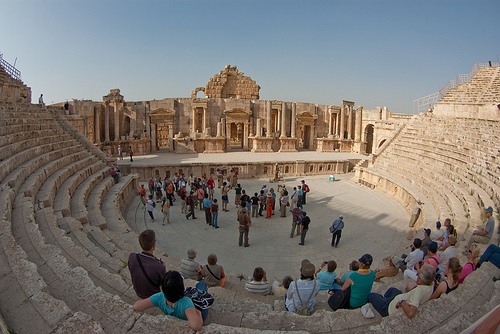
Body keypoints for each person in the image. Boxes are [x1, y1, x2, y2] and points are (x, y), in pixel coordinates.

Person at [133, 270, 205, 331]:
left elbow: (136, 306)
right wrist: (199, 313)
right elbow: (196, 326)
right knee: (202, 285)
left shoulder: (159, 297)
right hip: (192, 315)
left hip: (179, 314)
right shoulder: (186, 302)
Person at [363, 264, 435, 319]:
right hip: (397, 299)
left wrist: (402, 302)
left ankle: (381, 305)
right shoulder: (431, 284)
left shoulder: (418, 291)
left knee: (370, 295)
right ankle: (384, 300)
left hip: (390, 309)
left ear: (420, 280)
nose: (416, 276)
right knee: (392, 290)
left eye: (417, 275)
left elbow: (410, 313)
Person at [128, 230, 166, 298]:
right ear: (153, 246)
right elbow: (163, 284)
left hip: (138, 291)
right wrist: (163, 268)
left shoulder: (132, 257)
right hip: (152, 297)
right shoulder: (159, 267)